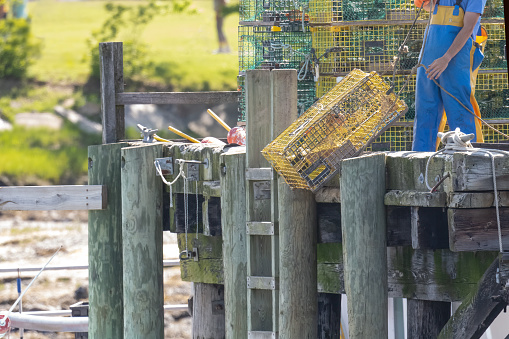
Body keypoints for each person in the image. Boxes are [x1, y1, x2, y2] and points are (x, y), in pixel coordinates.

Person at [412, 0, 487, 151]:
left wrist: (446, 58)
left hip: (455, 60)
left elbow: (468, 28)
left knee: (459, 108)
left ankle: (470, 158)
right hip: (428, 58)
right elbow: (428, 7)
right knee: (425, 110)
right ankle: (420, 160)